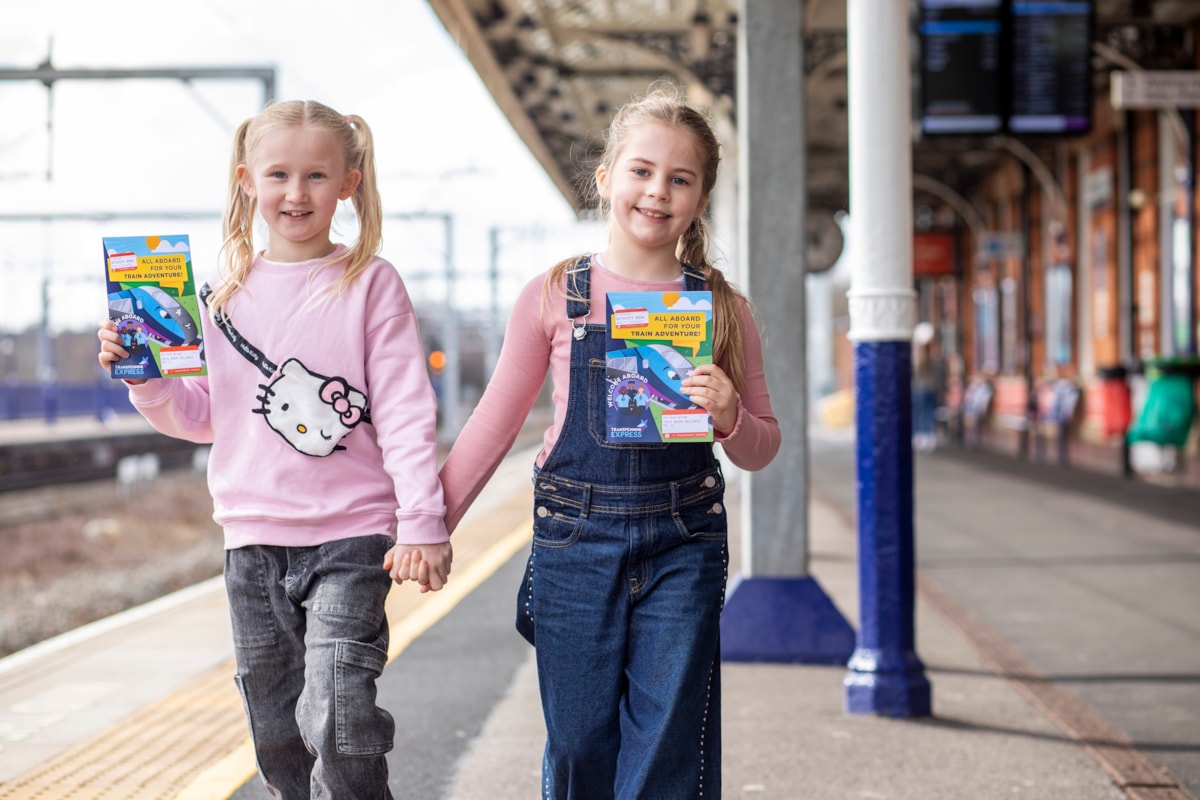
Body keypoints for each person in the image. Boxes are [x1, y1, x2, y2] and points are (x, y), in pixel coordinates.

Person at [97, 99, 451, 799]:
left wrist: (423, 520)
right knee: (277, 732)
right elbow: (205, 419)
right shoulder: (220, 298)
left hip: (353, 537)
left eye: (316, 175)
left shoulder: (369, 284)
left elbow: (408, 413)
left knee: (342, 716)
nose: (296, 193)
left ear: (349, 182)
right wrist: (147, 383)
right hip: (251, 544)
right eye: (279, 174)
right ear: (246, 181)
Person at [439, 86, 781, 799]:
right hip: (574, 540)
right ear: (606, 179)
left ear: (701, 196)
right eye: (642, 170)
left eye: (679, 178)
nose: (657, 191)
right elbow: (495, 424)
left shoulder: (724, 307)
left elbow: (762, 448)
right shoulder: (556, 294)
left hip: (684, 539)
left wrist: (728, 416)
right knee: (578, 743)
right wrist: (427, 525)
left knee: (667, 738)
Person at [911, 321, 939, 452]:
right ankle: (926, 435)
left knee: (922, 413)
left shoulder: (920, 359)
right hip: (928, 388)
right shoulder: (930, 359)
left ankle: (923, 435)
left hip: (923, 389)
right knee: (926, 412)